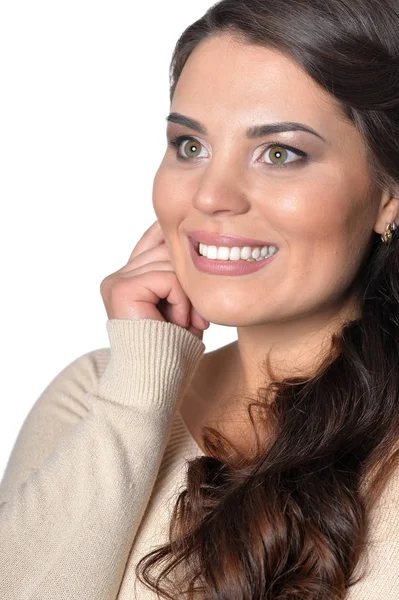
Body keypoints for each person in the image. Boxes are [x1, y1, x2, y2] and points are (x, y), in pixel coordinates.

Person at [1, 0, 399, 598]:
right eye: (190, 146)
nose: (212, 195)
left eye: (281, 153)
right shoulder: (95, 395)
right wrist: (139, 386)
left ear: (389, 196)